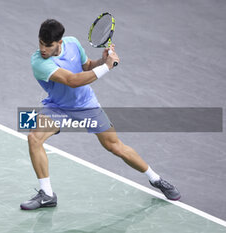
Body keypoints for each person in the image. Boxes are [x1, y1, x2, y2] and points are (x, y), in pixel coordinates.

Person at [20, 19, 180, 210]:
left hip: (87, 106)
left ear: (60, 42)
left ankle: (156, 179)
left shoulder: (72, 43)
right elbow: (72, 80)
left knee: (115, 146)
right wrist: (107, 67)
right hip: (58, 107)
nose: (43, 49)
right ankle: (47, 194)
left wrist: (102, 60)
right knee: (34, 138)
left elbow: (86, 66)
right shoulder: (38, 61)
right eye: (41, 43)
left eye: (48, 45)